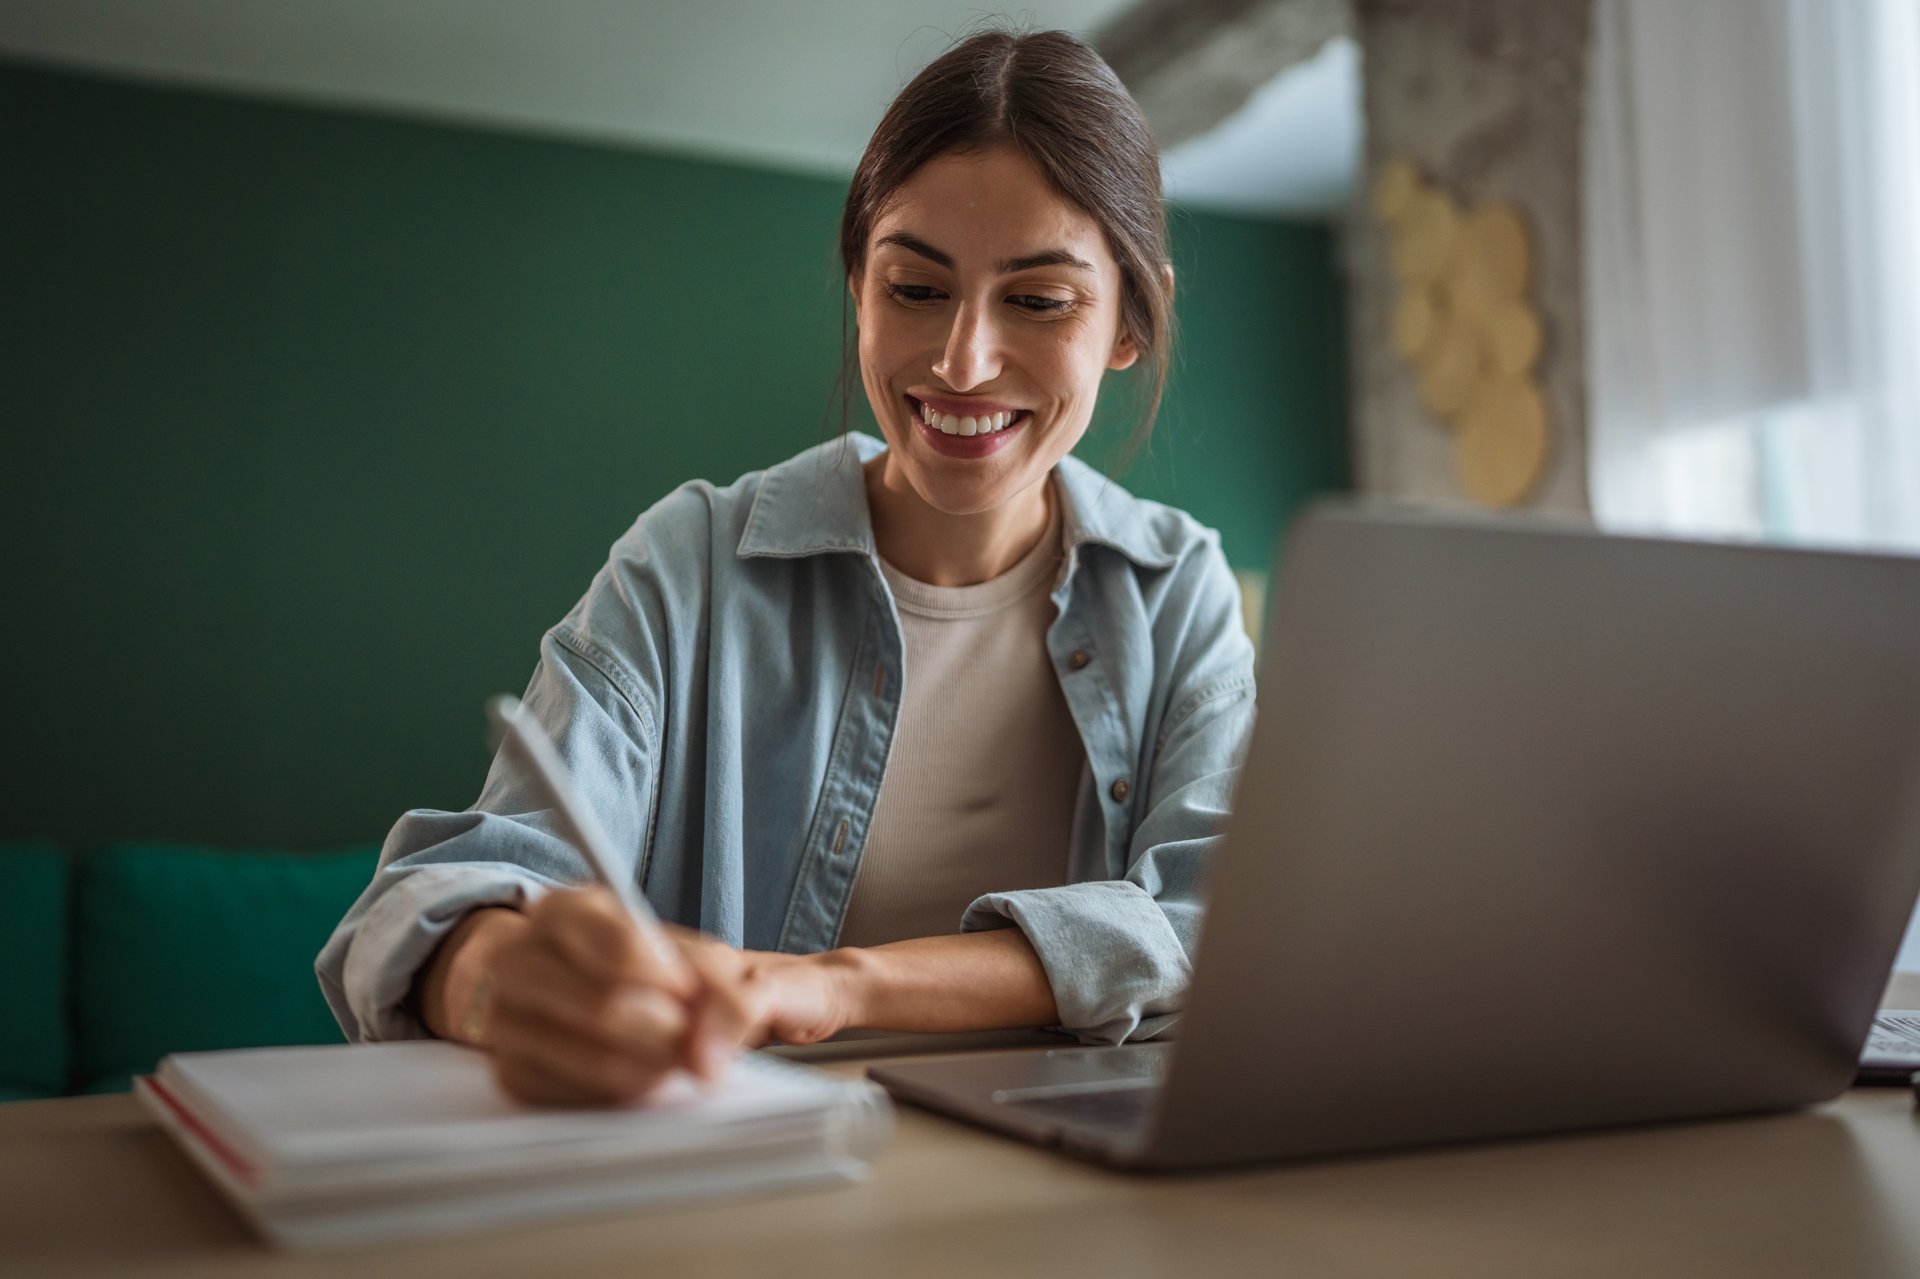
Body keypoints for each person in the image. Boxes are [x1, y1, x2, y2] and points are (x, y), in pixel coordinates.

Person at [316, 28, 1257, 1106]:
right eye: (914, 287)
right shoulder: (690, 566)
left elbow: (1212, 924)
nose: (962, 361)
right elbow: (433, 901)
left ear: (1130, 321)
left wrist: (832, 987)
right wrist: (488, 978)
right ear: (857, 281)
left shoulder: (1177, 588)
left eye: (1038, 301)